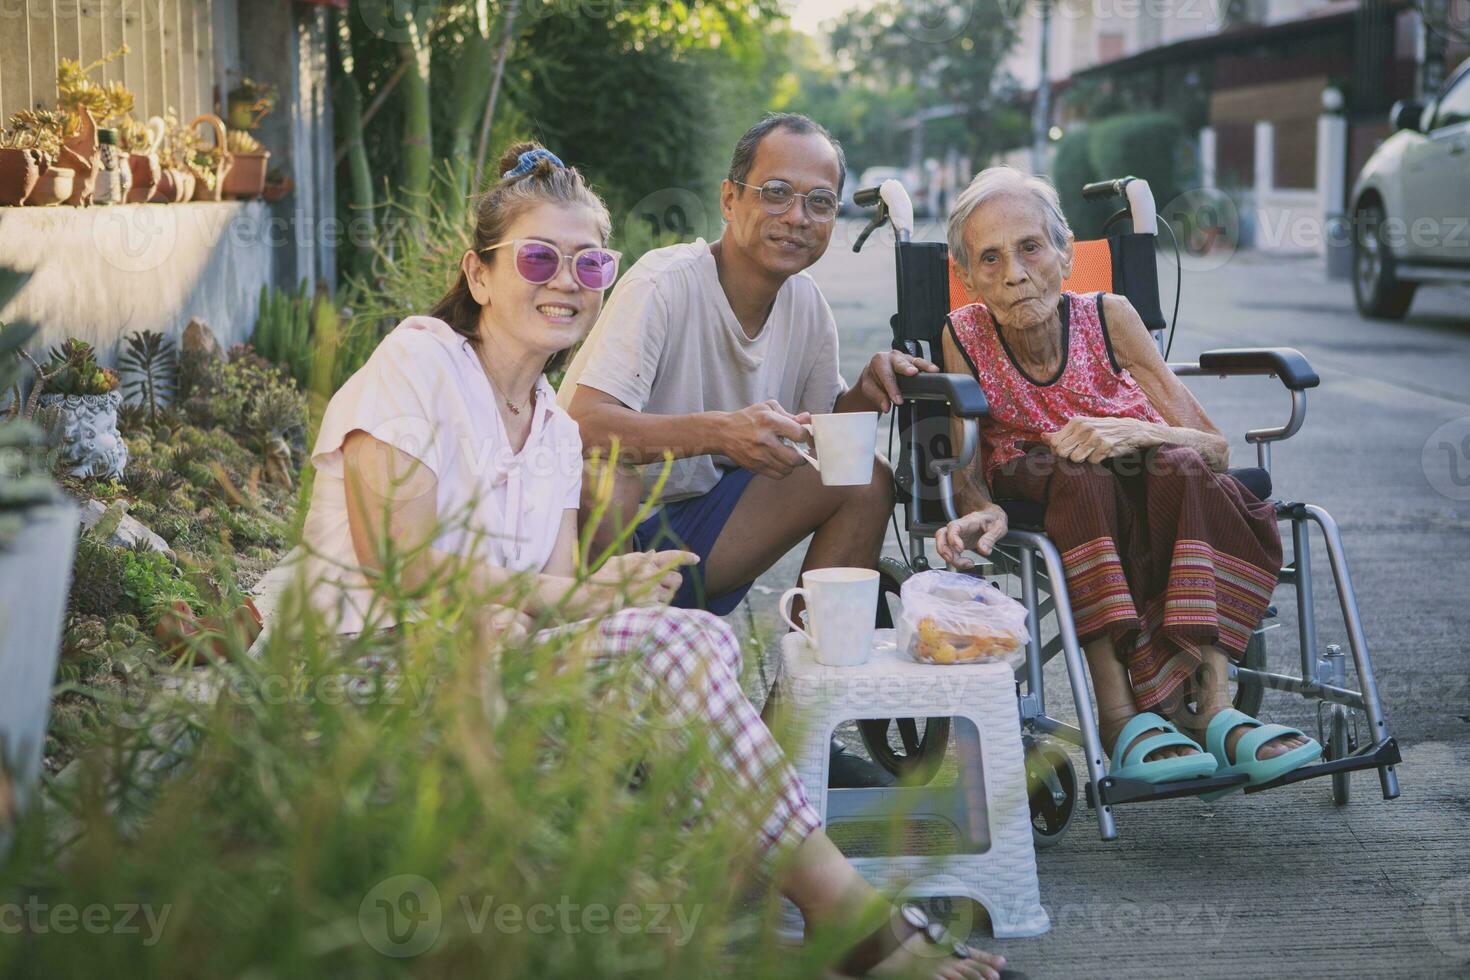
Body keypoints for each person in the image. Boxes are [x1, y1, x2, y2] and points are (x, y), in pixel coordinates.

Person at [295, 142, 1009, 980]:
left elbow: (556, 592)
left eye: (588, 263)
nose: (566, 280)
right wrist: (578, 596)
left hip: (500, 646)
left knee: (691, 642)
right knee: (666, 633)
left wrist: (601, 596)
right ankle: (848, 917)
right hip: (377, 650)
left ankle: (816, 897)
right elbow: (395, 562)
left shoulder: (551, 425)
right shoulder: (420, 360)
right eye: (537, 258)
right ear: (480, 275)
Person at [559, 113, 938, 787]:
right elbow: (581, 424)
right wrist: (718, 430)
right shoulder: (665, 282)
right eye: (776, 193)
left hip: (706, 534)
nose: (798, 216)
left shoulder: (808, 308)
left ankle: (782, 744)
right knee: (605, 475)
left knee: (866, 480)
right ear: (730, 199)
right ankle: (612, 725)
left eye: (819, 203)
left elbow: (821, 455)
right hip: (603, 550)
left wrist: (864, 393)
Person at [933, 166, 1322, 792]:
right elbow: (968, 467)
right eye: (989, 258)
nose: (1013, 273)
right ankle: (1118, 719)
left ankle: (1217, 707)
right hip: (1046, 480)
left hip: (1151, 474)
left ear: (1064, 255)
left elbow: (1214, 448)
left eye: (1030, 247)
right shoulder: (965, 335)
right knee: (1079, 473)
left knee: (1182, 464)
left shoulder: (1111, 315)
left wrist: (1139, 431)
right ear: (970, 278)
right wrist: (986, 508)